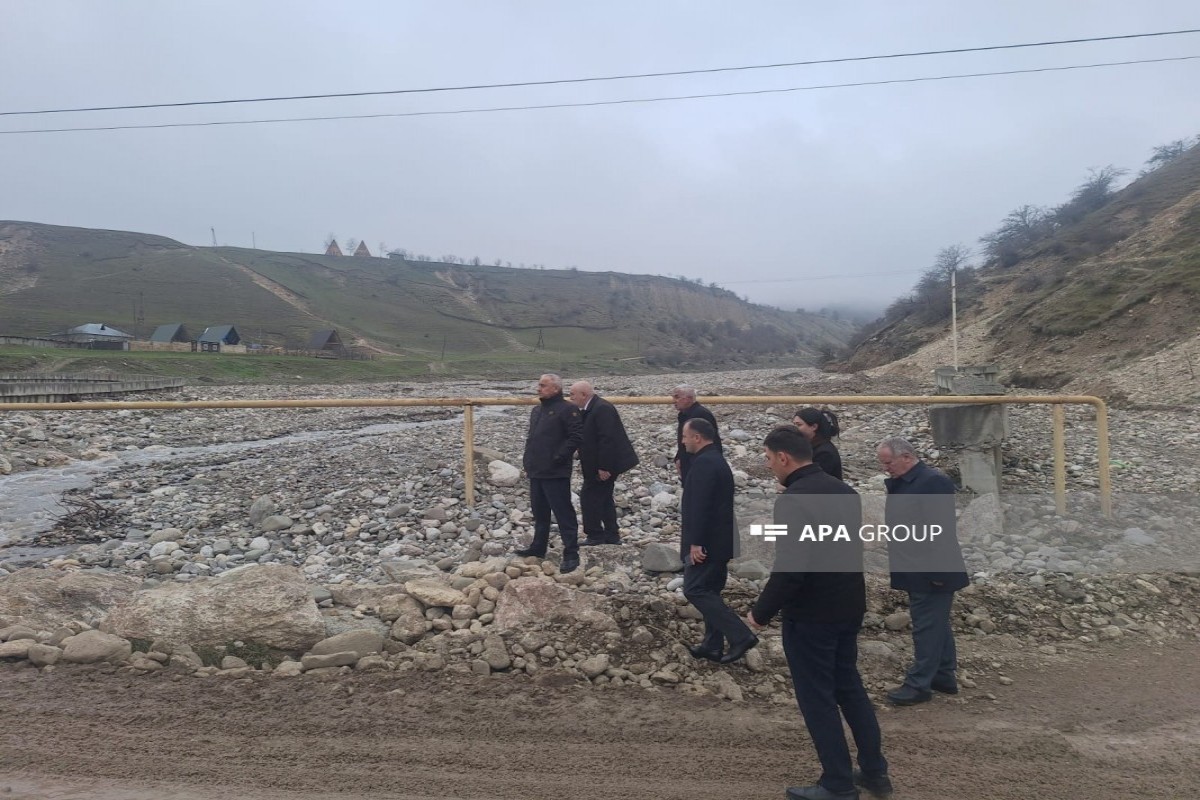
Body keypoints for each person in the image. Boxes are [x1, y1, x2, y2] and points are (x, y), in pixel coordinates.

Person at [747, 425, 891, 800]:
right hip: (848, 605)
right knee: (850, 689)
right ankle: (874, 772)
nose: (768, 466)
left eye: (768, 458)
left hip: (811, 615)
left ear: (783, 457)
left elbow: (791, 568)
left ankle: (837, 784)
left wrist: (760, 613)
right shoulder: (845, 492)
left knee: (817, 700)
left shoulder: (793, 501)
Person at [876, 437, 969, 706]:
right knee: (935, 623)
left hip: (930, 570)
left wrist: (937, 572)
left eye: (889, 463)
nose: (885, 468)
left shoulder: (932, 483)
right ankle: (943, 675)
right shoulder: (910, 482)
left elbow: (940, 531)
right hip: (917, 567)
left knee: (926, 627)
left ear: (906, 457)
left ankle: (919, 685)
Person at [679, 417, 757, 665]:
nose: (683, 441)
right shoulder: (715, 459)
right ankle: (712, 645)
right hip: (719, 540)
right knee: (710, 590)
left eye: (685, 436)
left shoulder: (705, 463)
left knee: (695, 589)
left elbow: (701, 506)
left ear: (697, 437)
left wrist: (696, 542)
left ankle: (741, 635)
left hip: (707, 543)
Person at [516, 374, 584, 573]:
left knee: (563, 513)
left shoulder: (568, 409)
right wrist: (527, 460)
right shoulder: (537, 410)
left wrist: (558, 457)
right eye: (539, 385)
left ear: (556, 389)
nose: (539, 388)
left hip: (555, 472)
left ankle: (571, 553)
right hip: (536, 470)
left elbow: (576, 437)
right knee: (540, 512)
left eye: (543, 385)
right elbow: (532, 438)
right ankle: (538, 547)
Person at [568, 380, 639, 546]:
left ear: (583, 395)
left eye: (572, 394)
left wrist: (604, 467)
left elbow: (608, 439)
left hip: (605, 465)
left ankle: (595, 535)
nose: (570, 398)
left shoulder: (602, 408)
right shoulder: (590, 408)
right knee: (605, 498)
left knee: (589, 497)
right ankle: (611, 535)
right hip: (595, 463)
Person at [672, 384, 721, 484]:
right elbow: (685, 441)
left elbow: (709, 443)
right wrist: (679, 458)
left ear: (689, 398)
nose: (673, 401)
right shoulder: (684, 415)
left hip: (700, 466)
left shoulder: (701, 414)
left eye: (677, 397)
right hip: (689, 463)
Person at [793, 407, 844, 481]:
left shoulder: (824, 453)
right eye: (794, 424)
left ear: (814, 427)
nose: (795, 429)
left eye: (799, 425)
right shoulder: (810, 446)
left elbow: (815, 480)